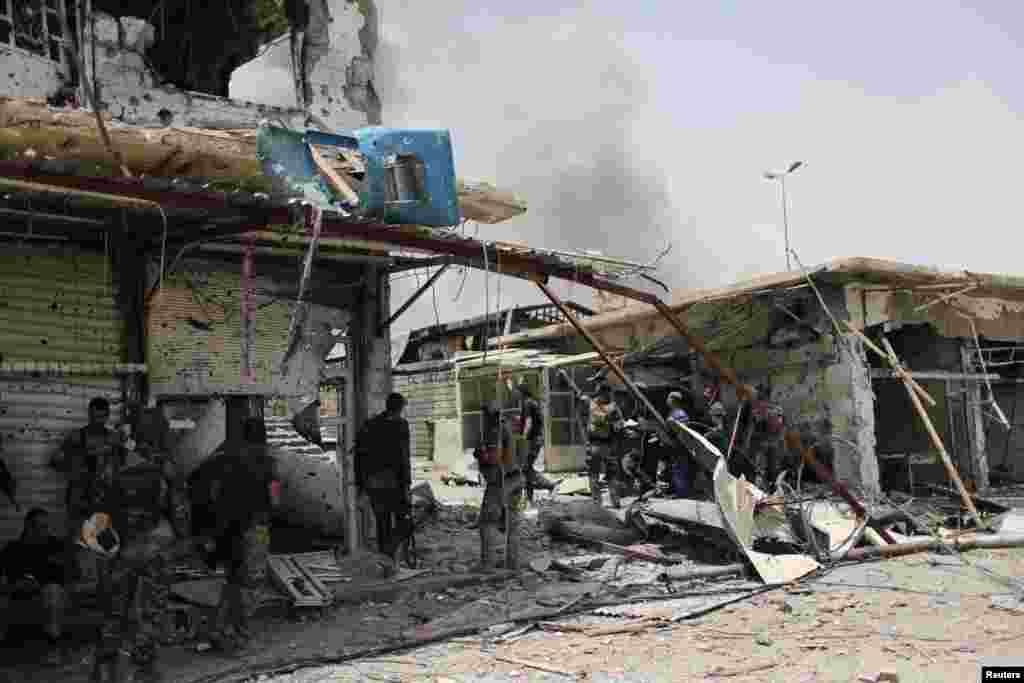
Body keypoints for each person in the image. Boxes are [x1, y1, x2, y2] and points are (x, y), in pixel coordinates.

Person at [90, 404, 198, 682]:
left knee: (114, 613)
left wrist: (106, 550)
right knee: (150, 613)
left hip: (119, 547)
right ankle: (142, 671)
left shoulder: (112, 462)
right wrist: (184, 540)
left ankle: (105, 669)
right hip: (155, 547)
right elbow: (180, 511)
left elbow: (96, 509)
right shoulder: (164, 464)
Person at [204, 416, 279, 653]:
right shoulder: (267, 463)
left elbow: (213, 494)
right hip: (254, 528)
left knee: (232, 580)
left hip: (227, 530)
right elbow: (275, 498)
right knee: (251, 584)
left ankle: (217, 630)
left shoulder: (225, 459)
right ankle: (239, 637)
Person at [51, 396, 122, 584]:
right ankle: (80, 585)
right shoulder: (76, 436)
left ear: (107, 416)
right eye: (94, 416)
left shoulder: (115, 439)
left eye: (101, 417)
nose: (97, 421)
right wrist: (74, 467)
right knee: (79, 544)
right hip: (80, 501)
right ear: (89, 414)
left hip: (104, 501)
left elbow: (128, 463)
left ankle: (103, 585)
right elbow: (56, 460)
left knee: (105, 544)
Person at [0, 508, 67, 664]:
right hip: (16, 594)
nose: (44, 531)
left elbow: (69, 573)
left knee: (53, 591)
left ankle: (53, 646)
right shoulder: (13, 548)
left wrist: (41, 582)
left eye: (46, 527)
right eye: (40, 527)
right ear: (28, 527)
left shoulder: (56, 546)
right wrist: (14, 585)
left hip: (48, 593)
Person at [354, 393, 412, 559]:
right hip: (393, 482)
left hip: (373, 483)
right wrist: (407, 485)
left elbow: (359, 456)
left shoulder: (370, 424)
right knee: (404, 521)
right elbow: (404, 457)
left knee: (382, 523)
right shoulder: (401, 425)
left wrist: (360, 485)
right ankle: (391, 553)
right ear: (400, 408)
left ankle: (385, 556)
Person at [473, 401, 524, 571]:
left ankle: (487, 564)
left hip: (501, 483)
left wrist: (480, 455)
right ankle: (513, 563)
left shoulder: (494, 430)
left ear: (488, 415)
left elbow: (494, 460)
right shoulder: (505, 427)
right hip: (516, 480)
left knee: (487, 523)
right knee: (512, 525)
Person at [505, 377, 556, 502]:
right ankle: (529, 499)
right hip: (536, 438)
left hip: (532, 440)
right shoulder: (531, 402)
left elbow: (529, 422)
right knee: (526, 469)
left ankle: (549, 485)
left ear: (522, 393)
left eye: (518, 392)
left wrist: (523, 438)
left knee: (526, 468)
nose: (517, 394)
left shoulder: (527, 403)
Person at [582, 384, 625, 508]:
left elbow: (586, 420)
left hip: (598, 445)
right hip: (604, 445)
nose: (608, 396)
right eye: (607, 394)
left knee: (596, 474)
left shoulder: (591, 404)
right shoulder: (612, 407)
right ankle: (612, 502)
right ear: (605, 393)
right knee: (607, 474)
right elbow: (619, 426)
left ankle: (600, 503)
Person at [665, 391, 697, 498]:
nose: (667, 400)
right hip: (674, 446)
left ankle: (682, 493)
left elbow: (681, 431)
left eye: (669, 398)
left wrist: (672, 423)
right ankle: (678, 491)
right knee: (676, 468)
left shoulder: (680, 414)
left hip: (680, 446)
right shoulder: (673, 413)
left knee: (680, 468)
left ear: (673, 400)